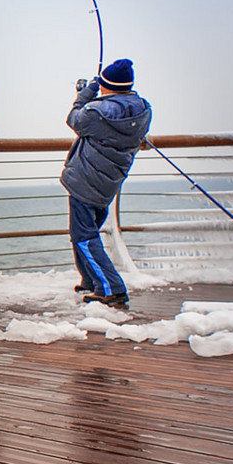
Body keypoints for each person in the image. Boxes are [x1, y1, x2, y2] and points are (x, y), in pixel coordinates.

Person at [62, 58, 151, 309]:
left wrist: (84, 94)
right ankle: (92, 281)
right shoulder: (144, 110)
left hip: (86, 179)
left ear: (108, 85)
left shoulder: (97, 111)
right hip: (110, 180)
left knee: (83, 235)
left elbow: (74, 119)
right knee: (85, 231)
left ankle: (112, 288)